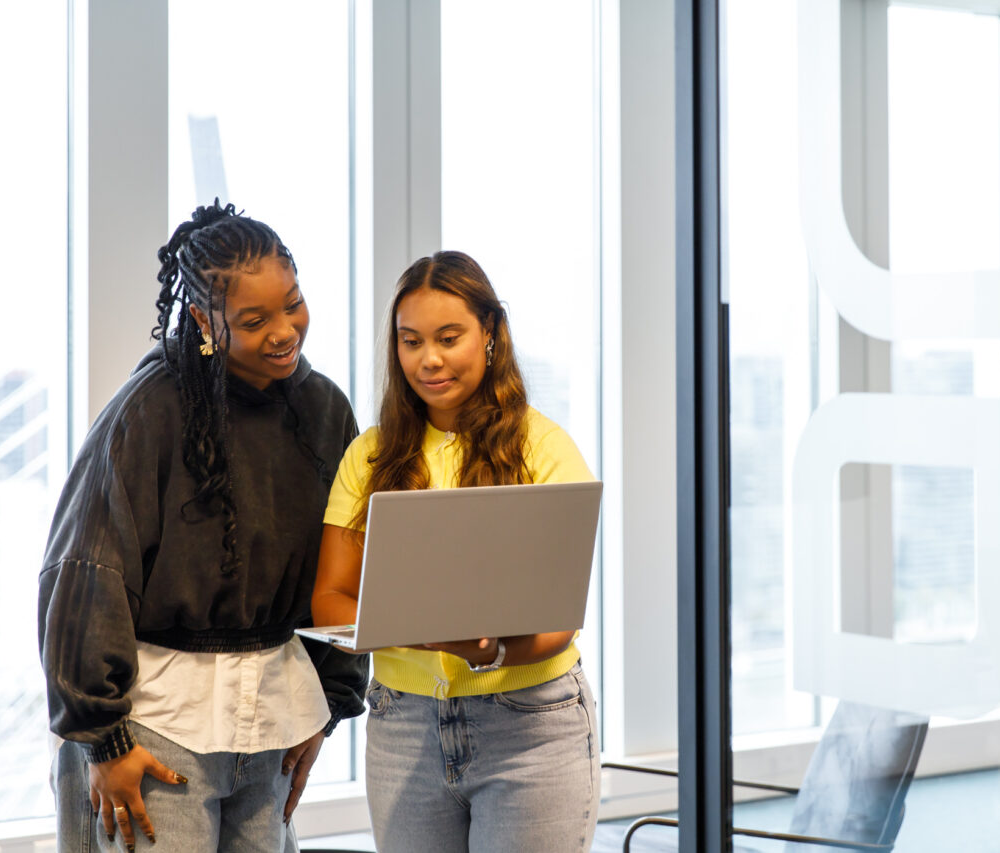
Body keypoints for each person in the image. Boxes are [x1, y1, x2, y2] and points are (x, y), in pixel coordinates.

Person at [38, 201, 368, 853]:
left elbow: (351, 568)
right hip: (156, 733)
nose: (285, 330)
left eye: (293, 303)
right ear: (201, 319)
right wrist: (103, 740)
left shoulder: (324, 409)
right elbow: (83, 574)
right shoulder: (147, 410)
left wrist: (327, 702)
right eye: (254, 319)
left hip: (274, 724)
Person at [312, 250, 600, 853]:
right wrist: (414, 632)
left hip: (530, 725)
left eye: (449, 338)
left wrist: (492, 650)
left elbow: (560, 621)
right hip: (404, 725)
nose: (429, 359)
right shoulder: (369, 456)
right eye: (410, 341)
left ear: (490, 334)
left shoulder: (544, 449)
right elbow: (330, 599)